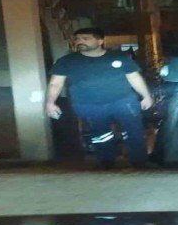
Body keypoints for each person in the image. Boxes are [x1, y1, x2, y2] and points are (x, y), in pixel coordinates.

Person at [45, 27, 153, 168]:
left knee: (134, 131)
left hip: (123, 101)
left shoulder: (118, 57)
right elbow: (55, 83)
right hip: (87, 104)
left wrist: (146, 96)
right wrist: (50, 102)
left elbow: (134, 78)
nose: (80, 42)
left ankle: (140, 163)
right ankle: (106, 164)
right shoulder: (67, 61)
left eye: (86, 38)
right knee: (100, 135)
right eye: (77, 39)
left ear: (100, 41)